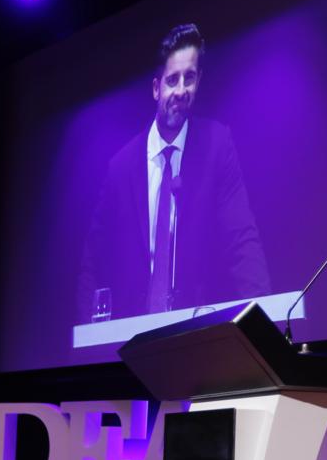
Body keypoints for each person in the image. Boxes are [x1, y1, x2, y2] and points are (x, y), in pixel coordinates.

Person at [77, 23, 271, 322]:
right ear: (156, 88)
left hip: (197, 335)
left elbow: (241, 240)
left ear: (199, 81)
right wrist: (87, 339)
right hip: (134, 339)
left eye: (189, 78)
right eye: (172, 80)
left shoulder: (217, 145)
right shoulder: (121, 166)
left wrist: (262, 317)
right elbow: (94, 258)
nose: (181, 90)